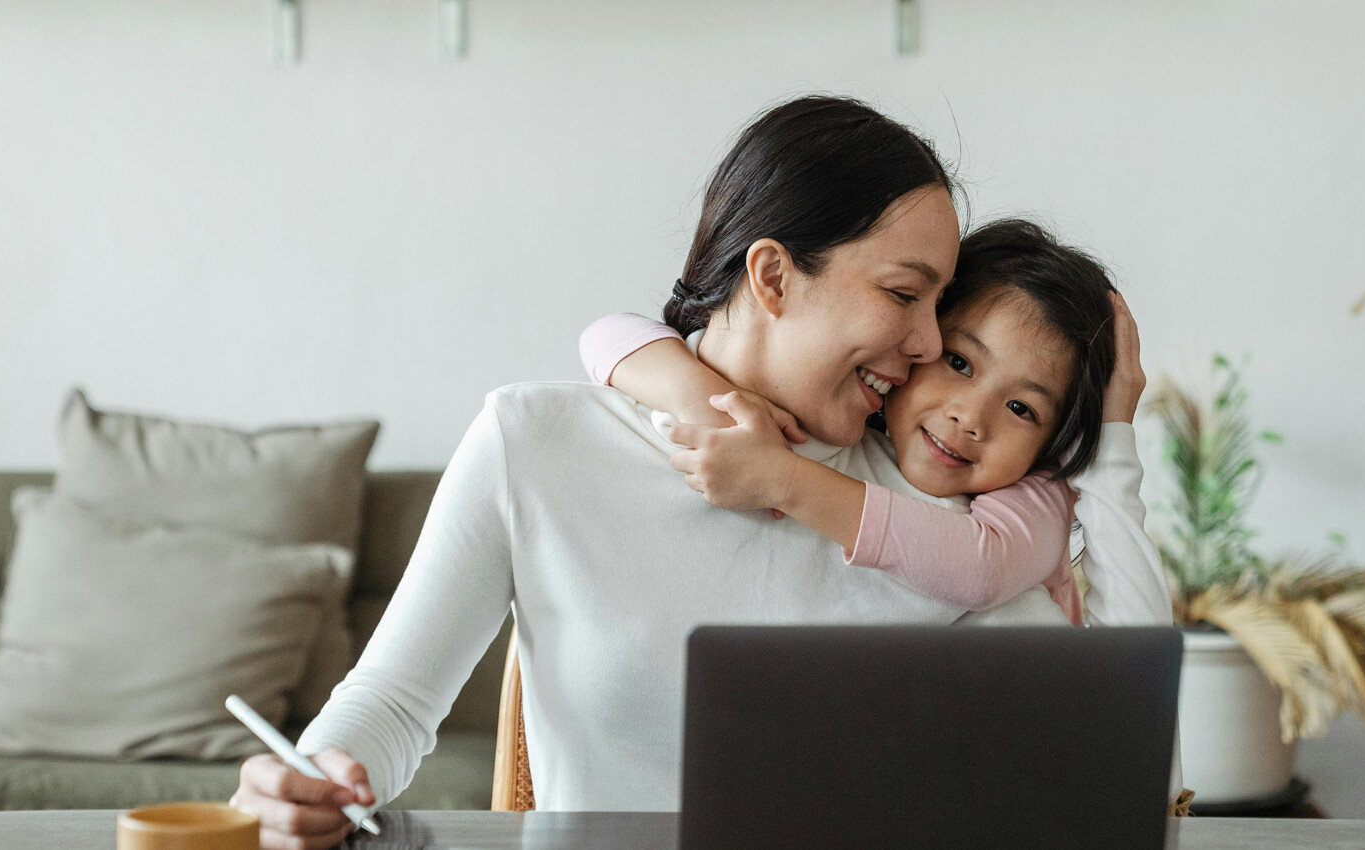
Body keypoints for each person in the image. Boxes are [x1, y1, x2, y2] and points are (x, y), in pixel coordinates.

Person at [228, 96, 1172, 850]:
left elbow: (1123, 764)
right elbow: (393, 703)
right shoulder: (537, 442)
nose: (927, 345)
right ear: (771, 277)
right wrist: (310, 778)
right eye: (902, 295)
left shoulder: (934, 509)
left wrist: (1115, 445)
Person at [577, 219, 1147, 625]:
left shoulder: (1035, 492)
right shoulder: (855, 423)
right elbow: (607, 333)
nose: (970, 418)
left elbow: (982, 566)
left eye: (1023, 409)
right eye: (959, 362)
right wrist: (702, 398)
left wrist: (784, 480)